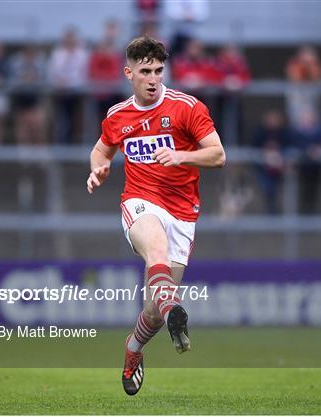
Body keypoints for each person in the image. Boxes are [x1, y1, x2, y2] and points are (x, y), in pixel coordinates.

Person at [86, 36, 225, 396]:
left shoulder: (187, 107)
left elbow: (218, 155)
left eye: (159, 71)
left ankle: (134, 347)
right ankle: (173, 306)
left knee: (153, 312)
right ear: (128, 72)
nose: (153, 79)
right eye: (145, 71)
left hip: (183, 212)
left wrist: (182, 156)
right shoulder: (118, 116)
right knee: (156, 251)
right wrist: (97, 169)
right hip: (140, 202)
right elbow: (101, 151)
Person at [288, 110, 321, 214]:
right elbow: (294, 144)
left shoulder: (319, 131)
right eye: (306, 117)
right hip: (303, 166)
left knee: (314, 190)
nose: (308, 119)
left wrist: (319, 149)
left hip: (316, 166)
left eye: (310, 117)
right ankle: (303, 211)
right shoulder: (296, 132)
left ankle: (312, 210)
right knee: (303, 189)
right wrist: (308, 150)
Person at [253, 110, 289, 214]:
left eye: (275, 119)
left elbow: (288, 146)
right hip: (263, 168)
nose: (273, 122)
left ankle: (279, 211)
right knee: (268, 188)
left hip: (280, 167)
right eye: (270, 119)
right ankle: (270, 210)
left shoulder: (283, 133)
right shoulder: (259, 133)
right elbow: (254, 149)